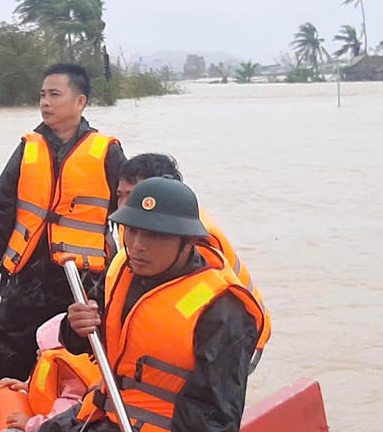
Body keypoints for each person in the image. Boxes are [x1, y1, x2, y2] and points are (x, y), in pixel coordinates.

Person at [9, 177, 264, 432]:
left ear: (188, 242)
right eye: (132, 231)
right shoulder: (121, 271)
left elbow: (214, 418)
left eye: (155, 236)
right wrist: (74, 326)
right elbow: (89, 338)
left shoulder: (222, 311)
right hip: (106, 412)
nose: (138, 245)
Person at [0, 63, 128, 380]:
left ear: (80, 101)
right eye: (42, 95)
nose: (45, 102)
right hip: (26, 277)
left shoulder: (106, 152)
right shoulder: (28, 148)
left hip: (83, 282)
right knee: (5, 355)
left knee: (73, 361)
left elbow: (130, 214)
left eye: (55, 95)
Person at [111, 153, 272, 363]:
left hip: (242, 332)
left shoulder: (197, 238)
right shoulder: (135, 222)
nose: (124, 205)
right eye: (120, 195)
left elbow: (198, 303)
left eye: (132, 195)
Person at [0, 314, 101, 432]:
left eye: (43, 351)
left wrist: (29, 424)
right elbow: (45, 386)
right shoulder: (58, 371)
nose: (39, 352)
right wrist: (26, 386)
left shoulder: (73, 388)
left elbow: (60, 422)